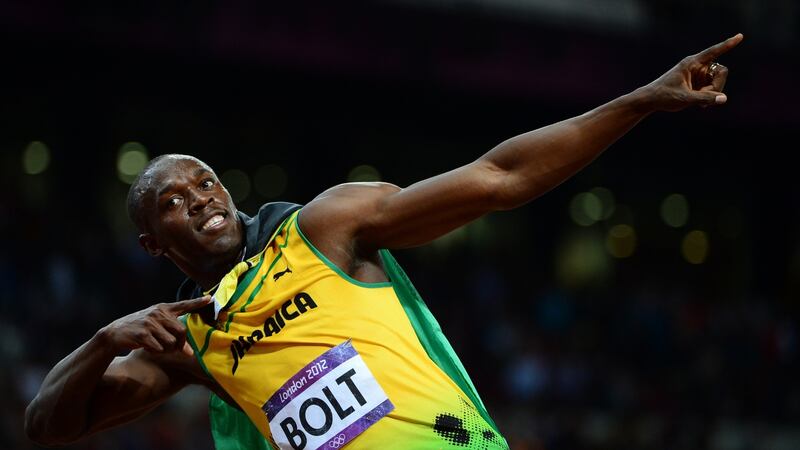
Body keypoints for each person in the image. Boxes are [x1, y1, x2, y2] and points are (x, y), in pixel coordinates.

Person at [24, 33, 743, 449]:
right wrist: (101, 343)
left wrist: (641, 100)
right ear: (154, 245)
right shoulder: (192, 339)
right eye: (173, 204)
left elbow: (499, 176)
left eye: (205, 182)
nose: (201, 201)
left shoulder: (324, 225)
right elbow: (48, 426)